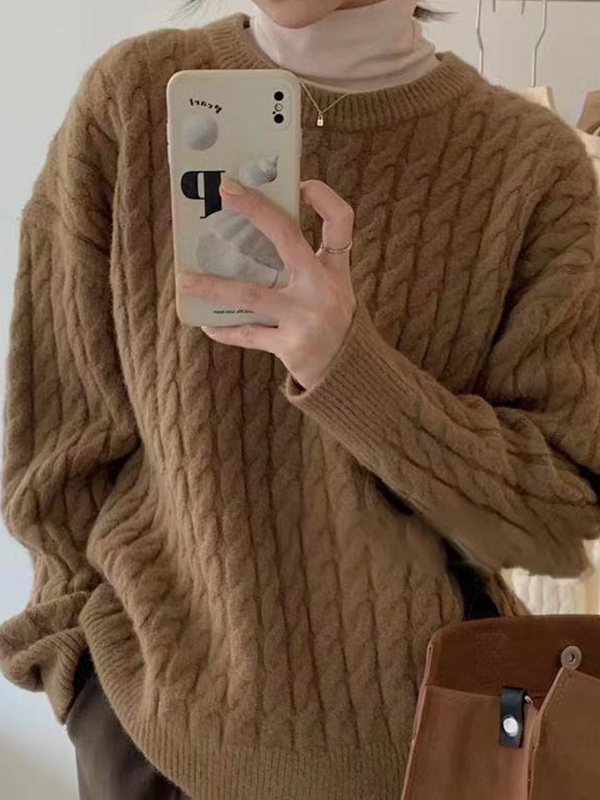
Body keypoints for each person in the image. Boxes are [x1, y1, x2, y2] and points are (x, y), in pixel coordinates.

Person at [2, 1, 600, 798]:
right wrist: (81, 683)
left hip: (425, 756)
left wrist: (348, 369)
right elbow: (55, 454)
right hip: (150, 747)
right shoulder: (133, 101)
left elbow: (557, 517)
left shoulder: (534, 167)